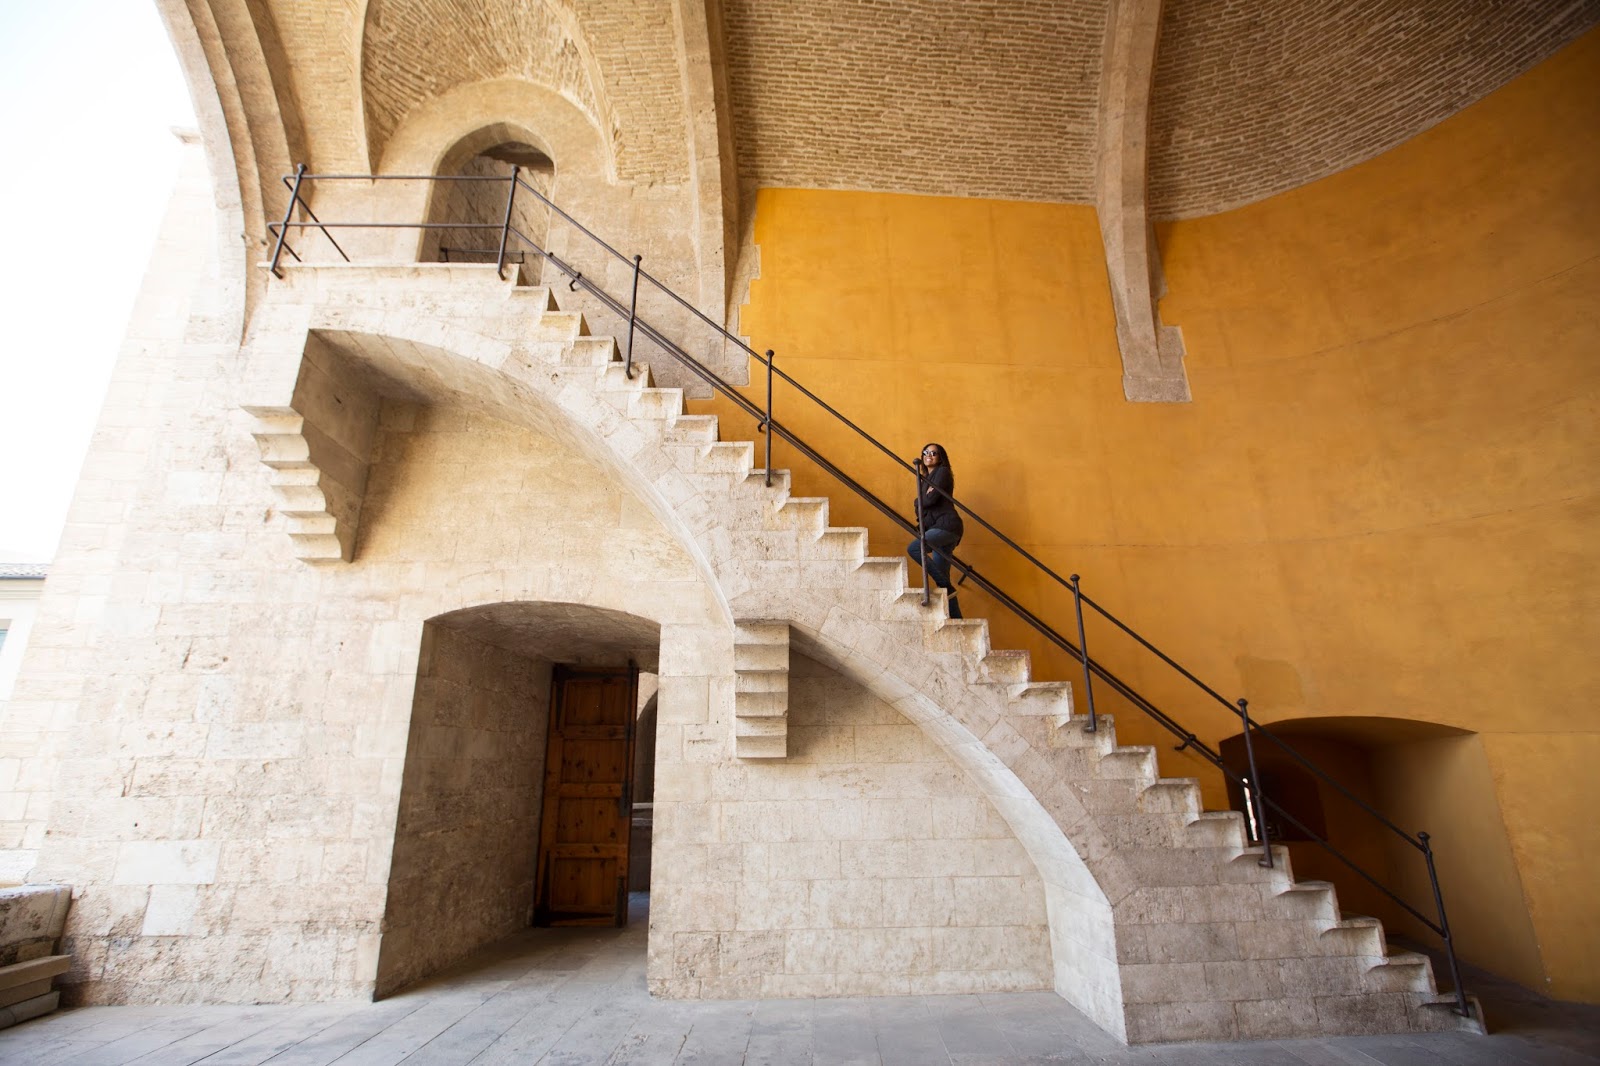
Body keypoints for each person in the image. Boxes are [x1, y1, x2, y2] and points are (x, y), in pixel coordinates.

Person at [907, 442, 965, 619]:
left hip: (947, 526)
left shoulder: (943, 472)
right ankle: (957, 620)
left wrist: (920, 500)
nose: (929, 455)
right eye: (926, 452)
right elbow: (923, 503)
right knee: (943, 579)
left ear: (940, 457)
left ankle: (947, 587)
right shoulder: (926, 479)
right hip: (940, 528)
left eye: (934, 453)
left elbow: (929, 501)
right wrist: (923, 499)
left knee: (915, 548)